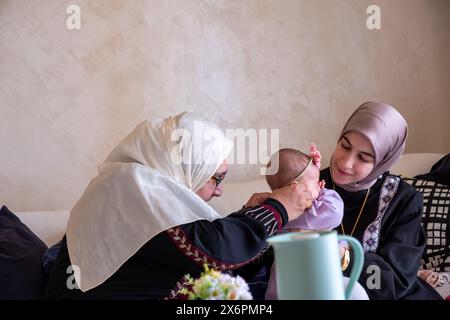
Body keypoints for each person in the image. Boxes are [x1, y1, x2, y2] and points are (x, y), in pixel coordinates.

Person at [44, 112, 313, 299]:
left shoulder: (132, 185)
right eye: (216, 178)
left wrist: (253, 218)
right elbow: (217, 250)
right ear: (187, 166)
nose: (219, 191)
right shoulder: (134, 187)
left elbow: (215, 266)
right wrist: (279, 207)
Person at [320, 101, 442, 300]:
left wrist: (346, 258)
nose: (346, 162)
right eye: (345, 145)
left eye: (364, 158)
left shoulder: (404, 200)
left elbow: (395, 281)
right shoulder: (310, 185)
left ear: (383, 161)